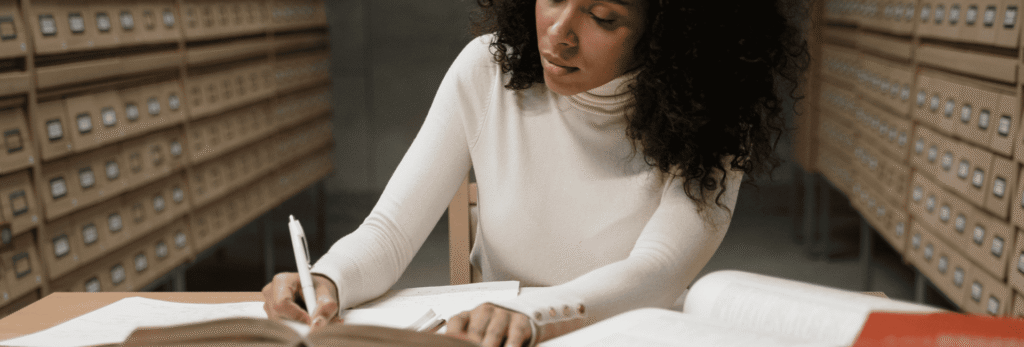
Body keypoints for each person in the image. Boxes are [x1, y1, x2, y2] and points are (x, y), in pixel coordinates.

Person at [263, 0, 808, 346]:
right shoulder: (487, 69)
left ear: (667, 35)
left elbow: (659, 270)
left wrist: (530, 314)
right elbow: (391, 231)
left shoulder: (714, 119)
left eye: (602, 18)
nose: (558, 33)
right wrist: (328, 279)